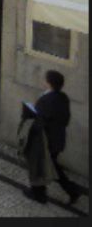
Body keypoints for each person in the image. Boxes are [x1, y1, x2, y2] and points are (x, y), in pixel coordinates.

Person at [22, 70, 82, 204]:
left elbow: (40, 121)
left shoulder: (47, 100)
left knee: (39, 165)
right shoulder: (63, 97)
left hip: (45, 140)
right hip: (57, 140)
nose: (43, 82)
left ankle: (39, 194)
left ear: (49, 83)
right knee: (50, 166)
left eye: (45, 80)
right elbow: (64, 119)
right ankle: (71, 191)